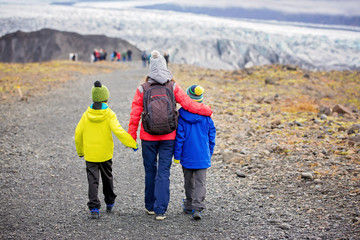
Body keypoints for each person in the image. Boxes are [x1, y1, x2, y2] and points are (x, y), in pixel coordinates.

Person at [128, 50, 213, 221]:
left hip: (148, 137)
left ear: (150, 69)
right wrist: (207, 110)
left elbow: (135, 114)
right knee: (163, 173)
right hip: (168, 136)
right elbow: (189, 104)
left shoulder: (142, 89)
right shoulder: (173, 86)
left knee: (150, 171)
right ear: (165, 68)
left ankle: (150, 206)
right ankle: (161, 211)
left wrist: (132, 136)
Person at [75, 81, 138, 219]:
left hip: (90, 155)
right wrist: (132, 143)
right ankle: (110, 201)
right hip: (105, 153)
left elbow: (78, 134)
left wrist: (81, 151)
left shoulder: (86, 115)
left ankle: (94, 208)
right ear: (106, 98)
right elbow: (119, 131)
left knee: (93, 180)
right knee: (107, 178)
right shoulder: (109, 114)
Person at [173, 84, 216, 220]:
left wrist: (177, 155)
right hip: (202, 155)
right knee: (200, 183)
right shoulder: (207, 117)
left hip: (187, 156)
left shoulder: (181, 117)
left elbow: (179, 138)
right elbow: (211, 136)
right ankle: (198, 207)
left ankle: (189, 204)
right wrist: (209, 152)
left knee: (188, 181)